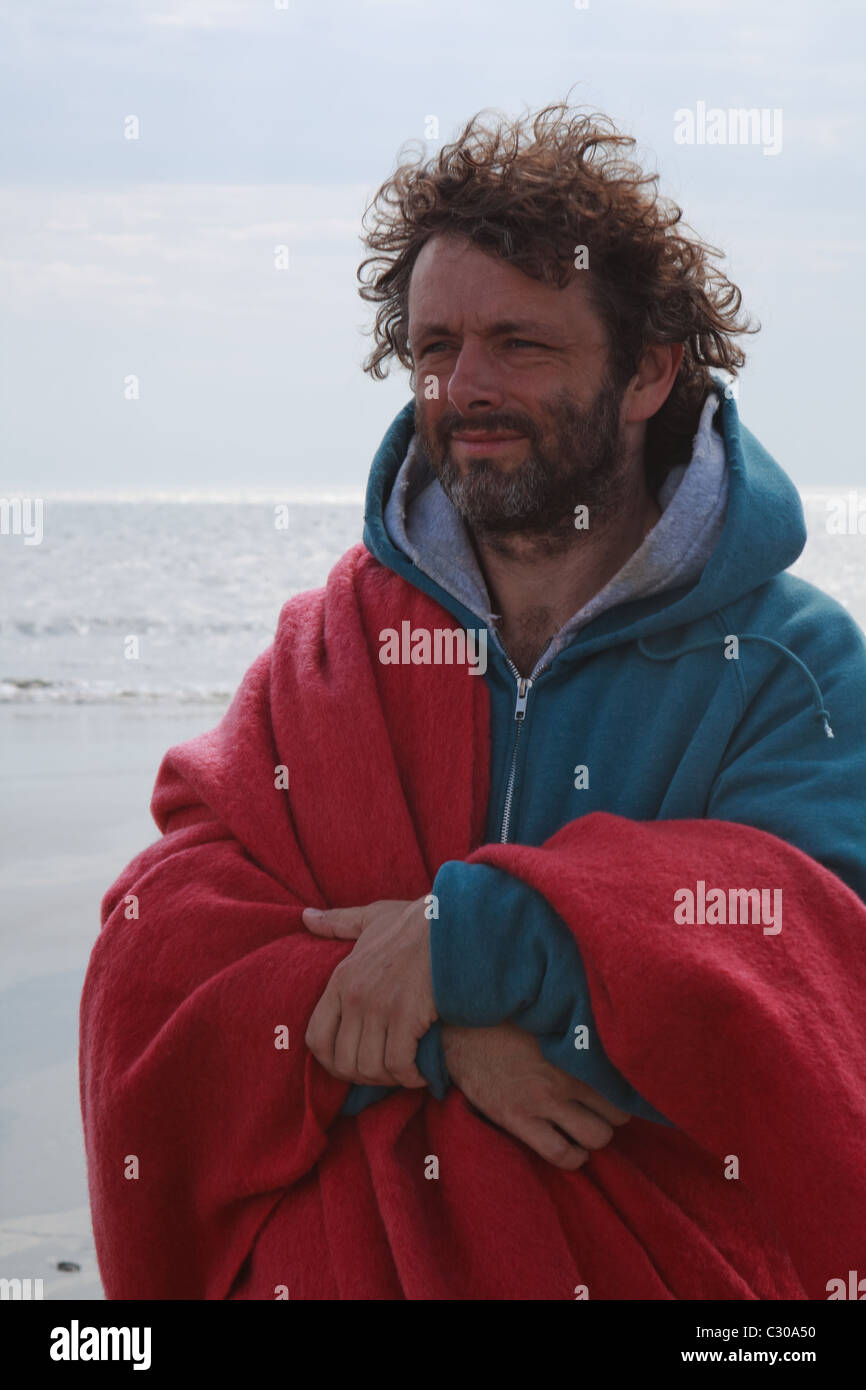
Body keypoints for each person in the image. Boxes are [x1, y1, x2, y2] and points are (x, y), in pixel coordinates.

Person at [81, 101, 866, 1301]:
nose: (465, 387)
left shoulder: (787, 663)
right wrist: (445, 1036)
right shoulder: (332, 645)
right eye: (435, 346)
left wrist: (489, 939)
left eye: (520, 344)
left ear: (649, 368)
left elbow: (814, 977)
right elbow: (161, 941)